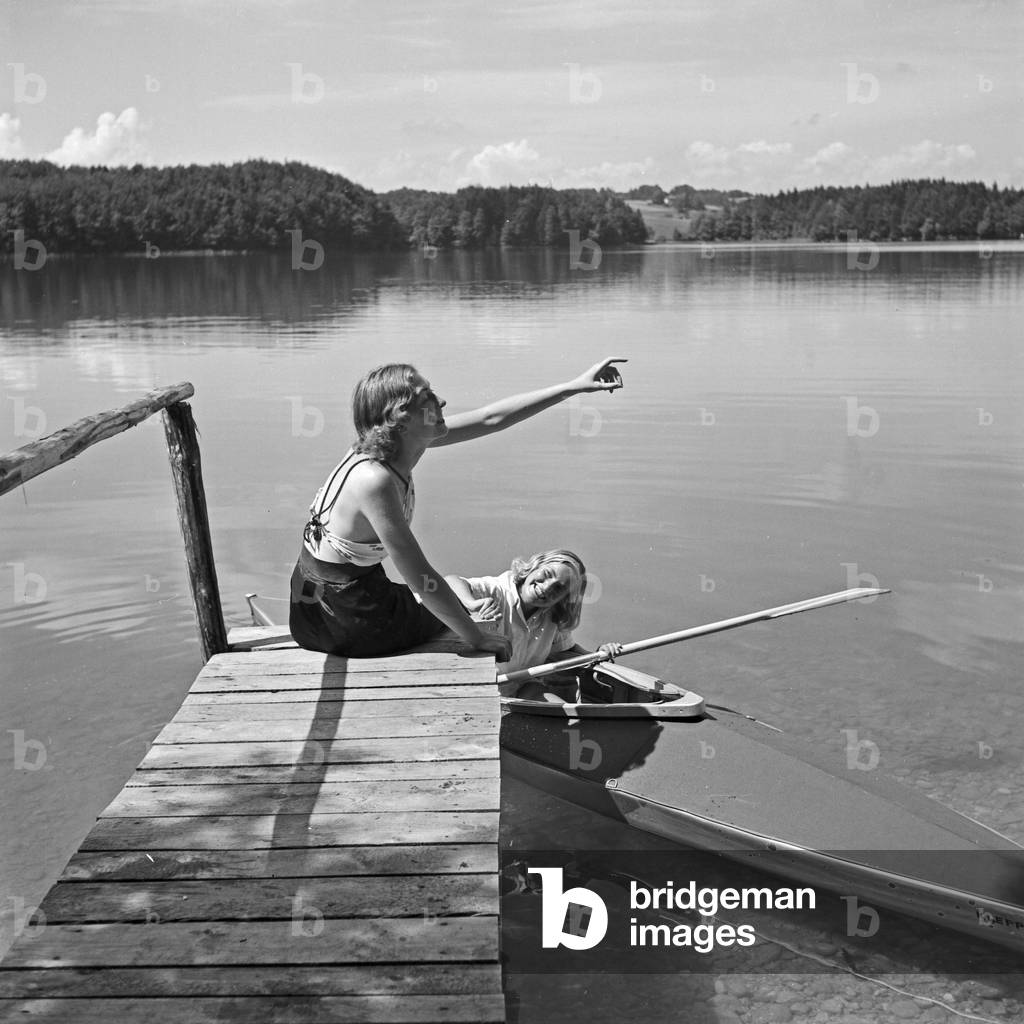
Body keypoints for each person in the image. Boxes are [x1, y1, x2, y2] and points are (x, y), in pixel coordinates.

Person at [289, 358, 626, 660]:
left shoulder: (395, 445)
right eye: (427, 397)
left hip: (318, 604)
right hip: (342, 617)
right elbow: (421, 578)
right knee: (460, 616)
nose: (442, 401)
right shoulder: (374, 480)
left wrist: (572, 387)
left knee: (453, 603)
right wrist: (476, 637)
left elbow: (492, 418)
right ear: (400, 418)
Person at [445, 549, 623, 701]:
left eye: (559, 588)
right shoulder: (498, 589)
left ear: (563, 599)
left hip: (522, 687)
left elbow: (566, 651)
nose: (546, 587)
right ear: (534, 566)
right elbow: (450, 581)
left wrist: (600, 654)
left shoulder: (552, 614)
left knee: (562, 714)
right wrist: (470, 603)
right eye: (546, 575)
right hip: (481, 689)